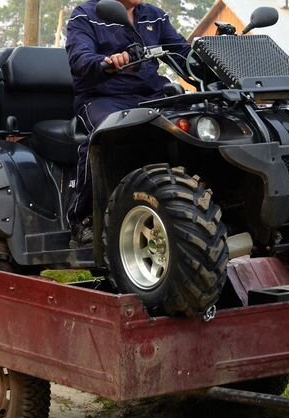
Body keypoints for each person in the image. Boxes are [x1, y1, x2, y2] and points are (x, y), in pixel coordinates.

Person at [65, 0, 191, 248]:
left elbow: (183, 54)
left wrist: (213, 54)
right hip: (104, 98)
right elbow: (80, 59)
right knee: (104, 134)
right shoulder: (86, 15)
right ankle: (84, 220)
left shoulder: (154, 15)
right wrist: (107, 63)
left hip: (151, 95)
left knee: (196, 120)